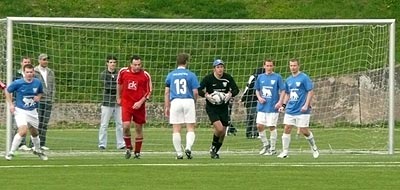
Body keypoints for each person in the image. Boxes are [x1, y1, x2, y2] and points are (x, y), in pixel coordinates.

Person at [277, 58, 319, 158]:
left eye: (294, 65)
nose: (293, 67)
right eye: (291, 65)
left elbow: (310, 91)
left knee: (304, 130)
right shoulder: (288, 80)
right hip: (291, 109)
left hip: (302, 110)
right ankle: (285, 151)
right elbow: (287, 94)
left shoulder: (304, 77)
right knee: (287, 128)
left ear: (298, 66)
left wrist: (306, 104)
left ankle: (314, 147)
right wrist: (283, 105)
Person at [4, 63, 48, 160]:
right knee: (23, 131)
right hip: (20, 111)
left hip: (32, 111)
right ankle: (11, 152)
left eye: (31, 72)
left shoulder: (37, 82)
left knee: (35, 133)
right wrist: (11, 104)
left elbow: (40, 92)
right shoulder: (18, 83)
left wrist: (38, 97)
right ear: (24, 73)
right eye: (27, 72)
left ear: (33, 72)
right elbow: (7, 90)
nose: (29, 74)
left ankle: (37, 150)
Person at [198, 59, 239, 159]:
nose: (220, 69)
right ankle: (213, 147)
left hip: (224, 107)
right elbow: (199, 89)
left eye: (221, 67)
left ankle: (215, 151)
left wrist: (230, 94)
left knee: (223, 132)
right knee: (219, 128)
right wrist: (206, 95)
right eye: (218, 67)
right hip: (212, 107)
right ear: (214, 69)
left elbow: (236, 89)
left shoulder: (228, 78)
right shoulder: (208, 78)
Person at [164, 53, 199, 159]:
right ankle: (188, 147)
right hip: (188, 100)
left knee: (176, 128)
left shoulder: (171, 75)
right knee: (190, 127)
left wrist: (167, 106)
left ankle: (179, 153)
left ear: (177, 62)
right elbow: (195, 91)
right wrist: (194, 101)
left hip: (175, 101)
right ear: (186, 62)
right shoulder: (191, 75)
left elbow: (167, 92)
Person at [117, 55, 152, 159]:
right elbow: (119, 84)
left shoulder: (145, 75)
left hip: (139, 106)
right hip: (127, 104)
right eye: (135, 65)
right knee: (126, 126)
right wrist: (118, 97)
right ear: (130, 64)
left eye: (139, 65)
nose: (137, 67)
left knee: (138, 128)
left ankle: (137, 152)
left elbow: (149, 91)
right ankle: (128, 147)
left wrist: (140, 102)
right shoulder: (123, 72)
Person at [254, 59, 285, 156]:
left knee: (272, 126)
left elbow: (283, 90)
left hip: (272, 107)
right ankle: (266, 145)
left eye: (271, 66)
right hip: (262, 106)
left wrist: (280, 102)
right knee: (259, 125)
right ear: (264, 66)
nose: (269, 67)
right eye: (267, 65)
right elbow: (257, 90)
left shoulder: (277, 77)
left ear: (273, 67)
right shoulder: (260, 77)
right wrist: (259, 98)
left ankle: (273, 148)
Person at [98, 55, 125, 150]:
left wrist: (118, 89)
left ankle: (121, 143)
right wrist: (117, 87)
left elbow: (122, 86)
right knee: (104, 124)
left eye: (114, 62)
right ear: (107, 63)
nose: (112, 64)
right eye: (111, 62)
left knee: (120, 124)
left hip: (118, 103)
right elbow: (107, 87)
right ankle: (102, 143)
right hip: (107, 102)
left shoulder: (120, 74)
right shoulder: (103, 74)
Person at [33, 54, 56, 151]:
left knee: (44, 123)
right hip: (39, 100)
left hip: (48, 100)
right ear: (39, 60)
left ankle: (42, 143)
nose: (46, 61)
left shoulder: (50, 72)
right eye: (44, 59)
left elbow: (53, 86)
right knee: (36, 122)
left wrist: (52, 97)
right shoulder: (34, 72)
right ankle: (34, 143)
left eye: (47, 60)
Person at [12, 57, 32, 151]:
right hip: (17, 101)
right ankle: (14, 143)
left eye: (28, 62)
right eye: (25, 62)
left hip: (28, 103)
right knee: (16, 124)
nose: (26, 63)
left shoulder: (32, 75)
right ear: (21, 63)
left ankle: (23, 143)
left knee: (26, 123)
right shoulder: (16, 75)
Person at [241, 67, 265, 139]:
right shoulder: (255, 79)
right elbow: (248, 89)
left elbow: (247, 89)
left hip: (249, 101)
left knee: (250, 117)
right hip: (252, 100)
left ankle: (249, 134)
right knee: (255, 117)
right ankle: (255, 133)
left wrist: (243, 98)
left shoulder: (253, 78)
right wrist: (243, 98)